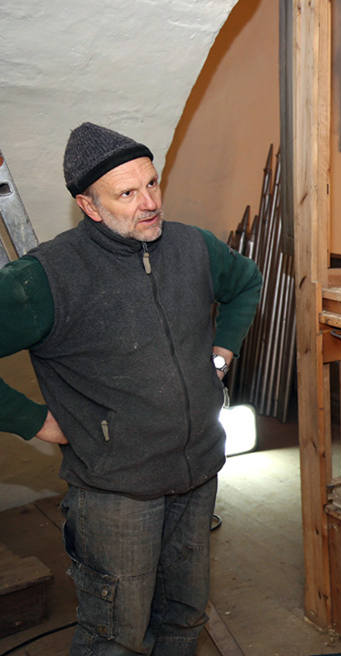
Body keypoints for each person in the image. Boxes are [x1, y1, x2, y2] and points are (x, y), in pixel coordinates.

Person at [0, 122, 262, 656]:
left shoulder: (192, 247)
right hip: (115, 494)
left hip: (197, 474)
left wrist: (223, 348)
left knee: (184, 619)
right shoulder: (46, 278)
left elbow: (247, 282)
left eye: (153, 184)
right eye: (127, 193)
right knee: (114, 638)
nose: (149, 203)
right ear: (89, 206)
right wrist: (36, 421)